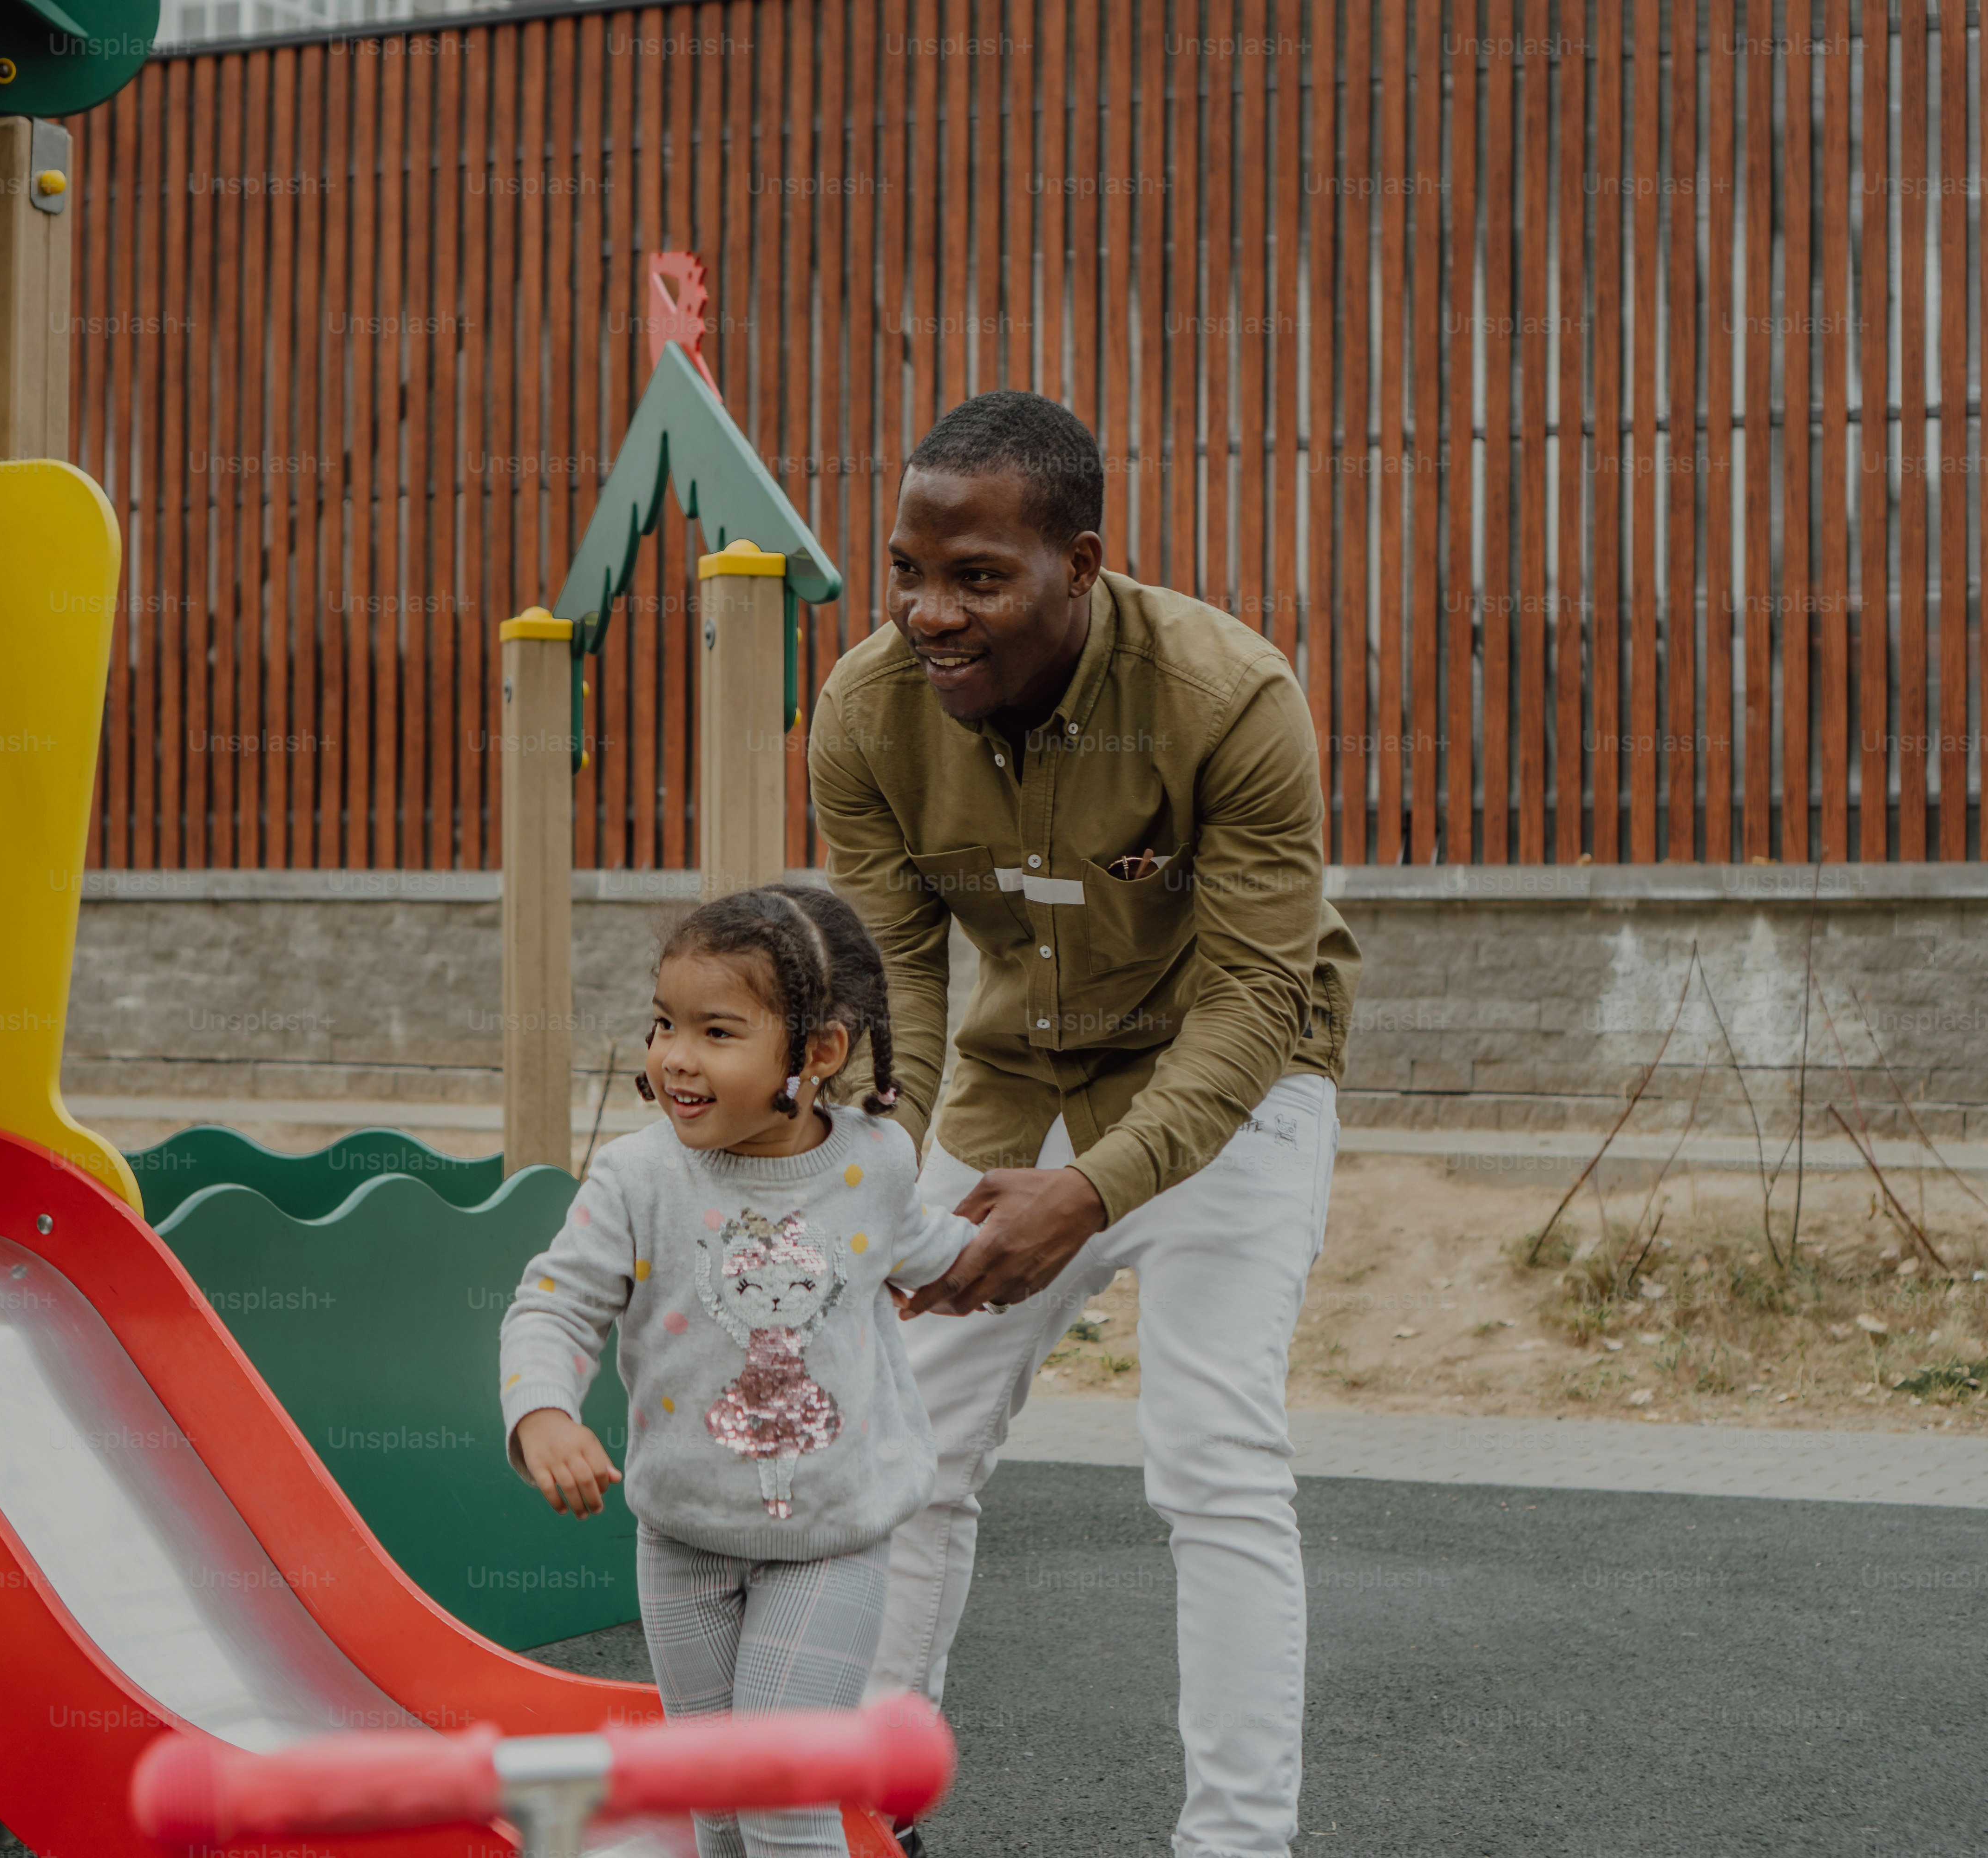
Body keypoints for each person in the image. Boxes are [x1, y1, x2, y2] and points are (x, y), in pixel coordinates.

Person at [809, 390, 1359, 1858]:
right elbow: (898, 984)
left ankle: (1235, 1845)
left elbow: (1257, 994)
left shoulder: (1230, 696)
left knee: (1213, 1456)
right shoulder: (867, 714)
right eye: (910, 572)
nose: (929, 613)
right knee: (905, 1439)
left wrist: (1096, 1194)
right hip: (1019, 1076)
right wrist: (869, 1176)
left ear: (1082, 564)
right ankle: (869, 1810)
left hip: (1233, 1082)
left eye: (977, 578)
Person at [499, 883, 974, 1858]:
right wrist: (542, 1409)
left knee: (778, 1794)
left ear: (818, 1053)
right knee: (714, 1806)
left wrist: (1006, 1254)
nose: (676, 1054)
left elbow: (922, 1246)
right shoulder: (641, 1178)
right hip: (683, 1536)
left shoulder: (876, 1161)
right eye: (665, 1022)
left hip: (830, 1537)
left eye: (718, 1031)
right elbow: (556, 1299)